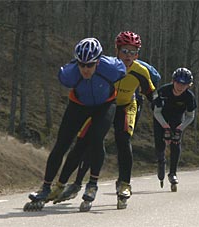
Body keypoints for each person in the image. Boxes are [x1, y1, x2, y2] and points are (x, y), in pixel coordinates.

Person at [23, 37, 126, 212]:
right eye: (81, 64)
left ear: (98, 62)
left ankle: (92, 184)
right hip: (79, 105)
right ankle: (46, 187)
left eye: (90, 65)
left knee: (96, 138)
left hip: (105, 104)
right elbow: (67, 77)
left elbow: (125, 69)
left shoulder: (112, 68)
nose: (85, 69)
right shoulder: (68, 74)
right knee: (62, 144)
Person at [112, 31, 156, 209]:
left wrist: (161, 107)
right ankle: (86, 182)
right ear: (117, 51)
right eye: (124, 51)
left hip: (128, 106)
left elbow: (151, 93)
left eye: (132, 52)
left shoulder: (140, 71)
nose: (128, 56)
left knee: (123, 140)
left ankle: (124, 183)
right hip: (107, 106)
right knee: (93, 138)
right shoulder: (108, 67)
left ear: (137, 54)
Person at [153, 67, 197, 192]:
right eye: (178, 82)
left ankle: (173, 173)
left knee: (175, 142)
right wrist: (164, 126)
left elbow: (190, 116)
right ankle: (161, 161)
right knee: (159, 144)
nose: (180, 87)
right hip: (161, 117)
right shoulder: (163, 91)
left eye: (184, 84)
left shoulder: (189, 97)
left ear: (189, 85)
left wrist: (180, 128)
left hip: (177, 118)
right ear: (173, 81)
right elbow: (156, 112)